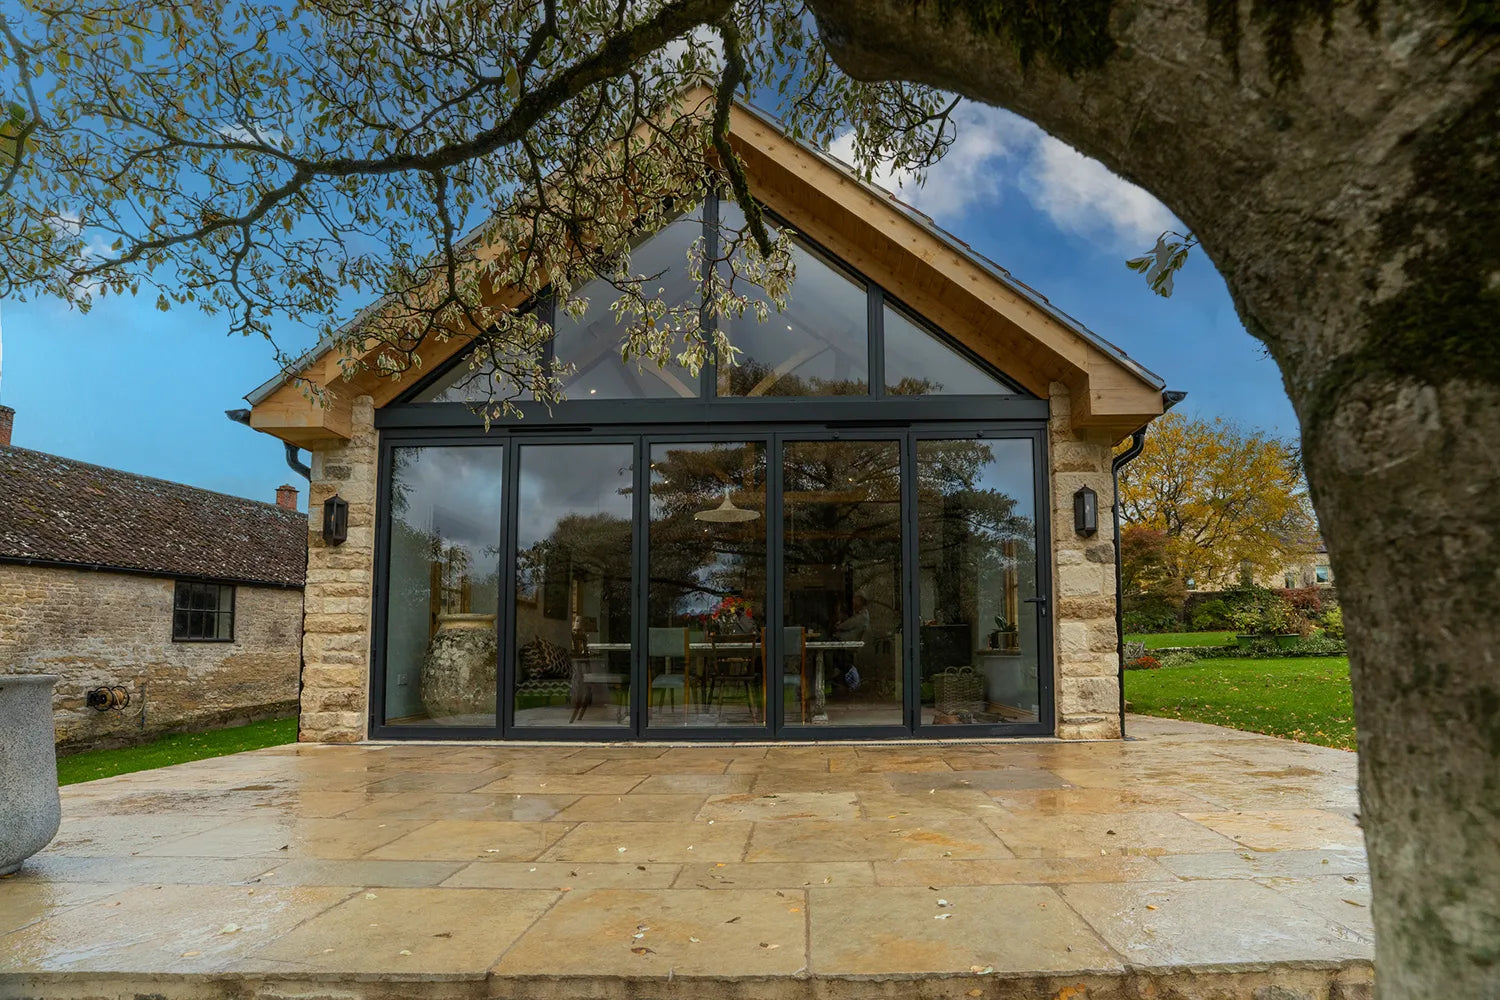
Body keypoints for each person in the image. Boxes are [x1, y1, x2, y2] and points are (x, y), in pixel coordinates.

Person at [831, 592, 869, 694]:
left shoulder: (862, 616)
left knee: (829, 652)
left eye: (855, 600)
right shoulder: (858, 615)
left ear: (860, 602)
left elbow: (846, 625)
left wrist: (838, 626)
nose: (853, 602)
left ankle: (833, 674)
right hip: (845, 642)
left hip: (848, 644)